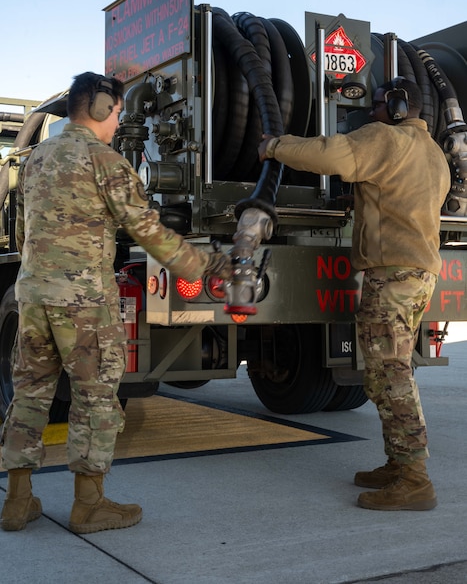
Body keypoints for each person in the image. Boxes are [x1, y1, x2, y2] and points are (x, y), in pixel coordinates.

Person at [0, 71, 231, 533]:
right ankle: (89, 505)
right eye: (120, 110)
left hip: (33, 293)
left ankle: (17, 502)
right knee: (95, 397)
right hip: (83, 300)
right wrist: (203, 266)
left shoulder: (36, 159)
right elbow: (148, 232)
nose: (119, 119)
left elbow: (23, 234)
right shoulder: (104, 160)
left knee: (29, 394)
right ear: (104, 108)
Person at [258, 77, 451, 511]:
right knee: (385, 372)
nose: (372, 112)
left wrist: (274, 146)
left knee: (391, 373)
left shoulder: (386, 138)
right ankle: (399, 465)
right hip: (415, 273)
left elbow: (330, 154)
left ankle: (416, 480)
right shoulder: (432, 151)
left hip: (393, 274)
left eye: (379, 104)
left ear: (398, 107)